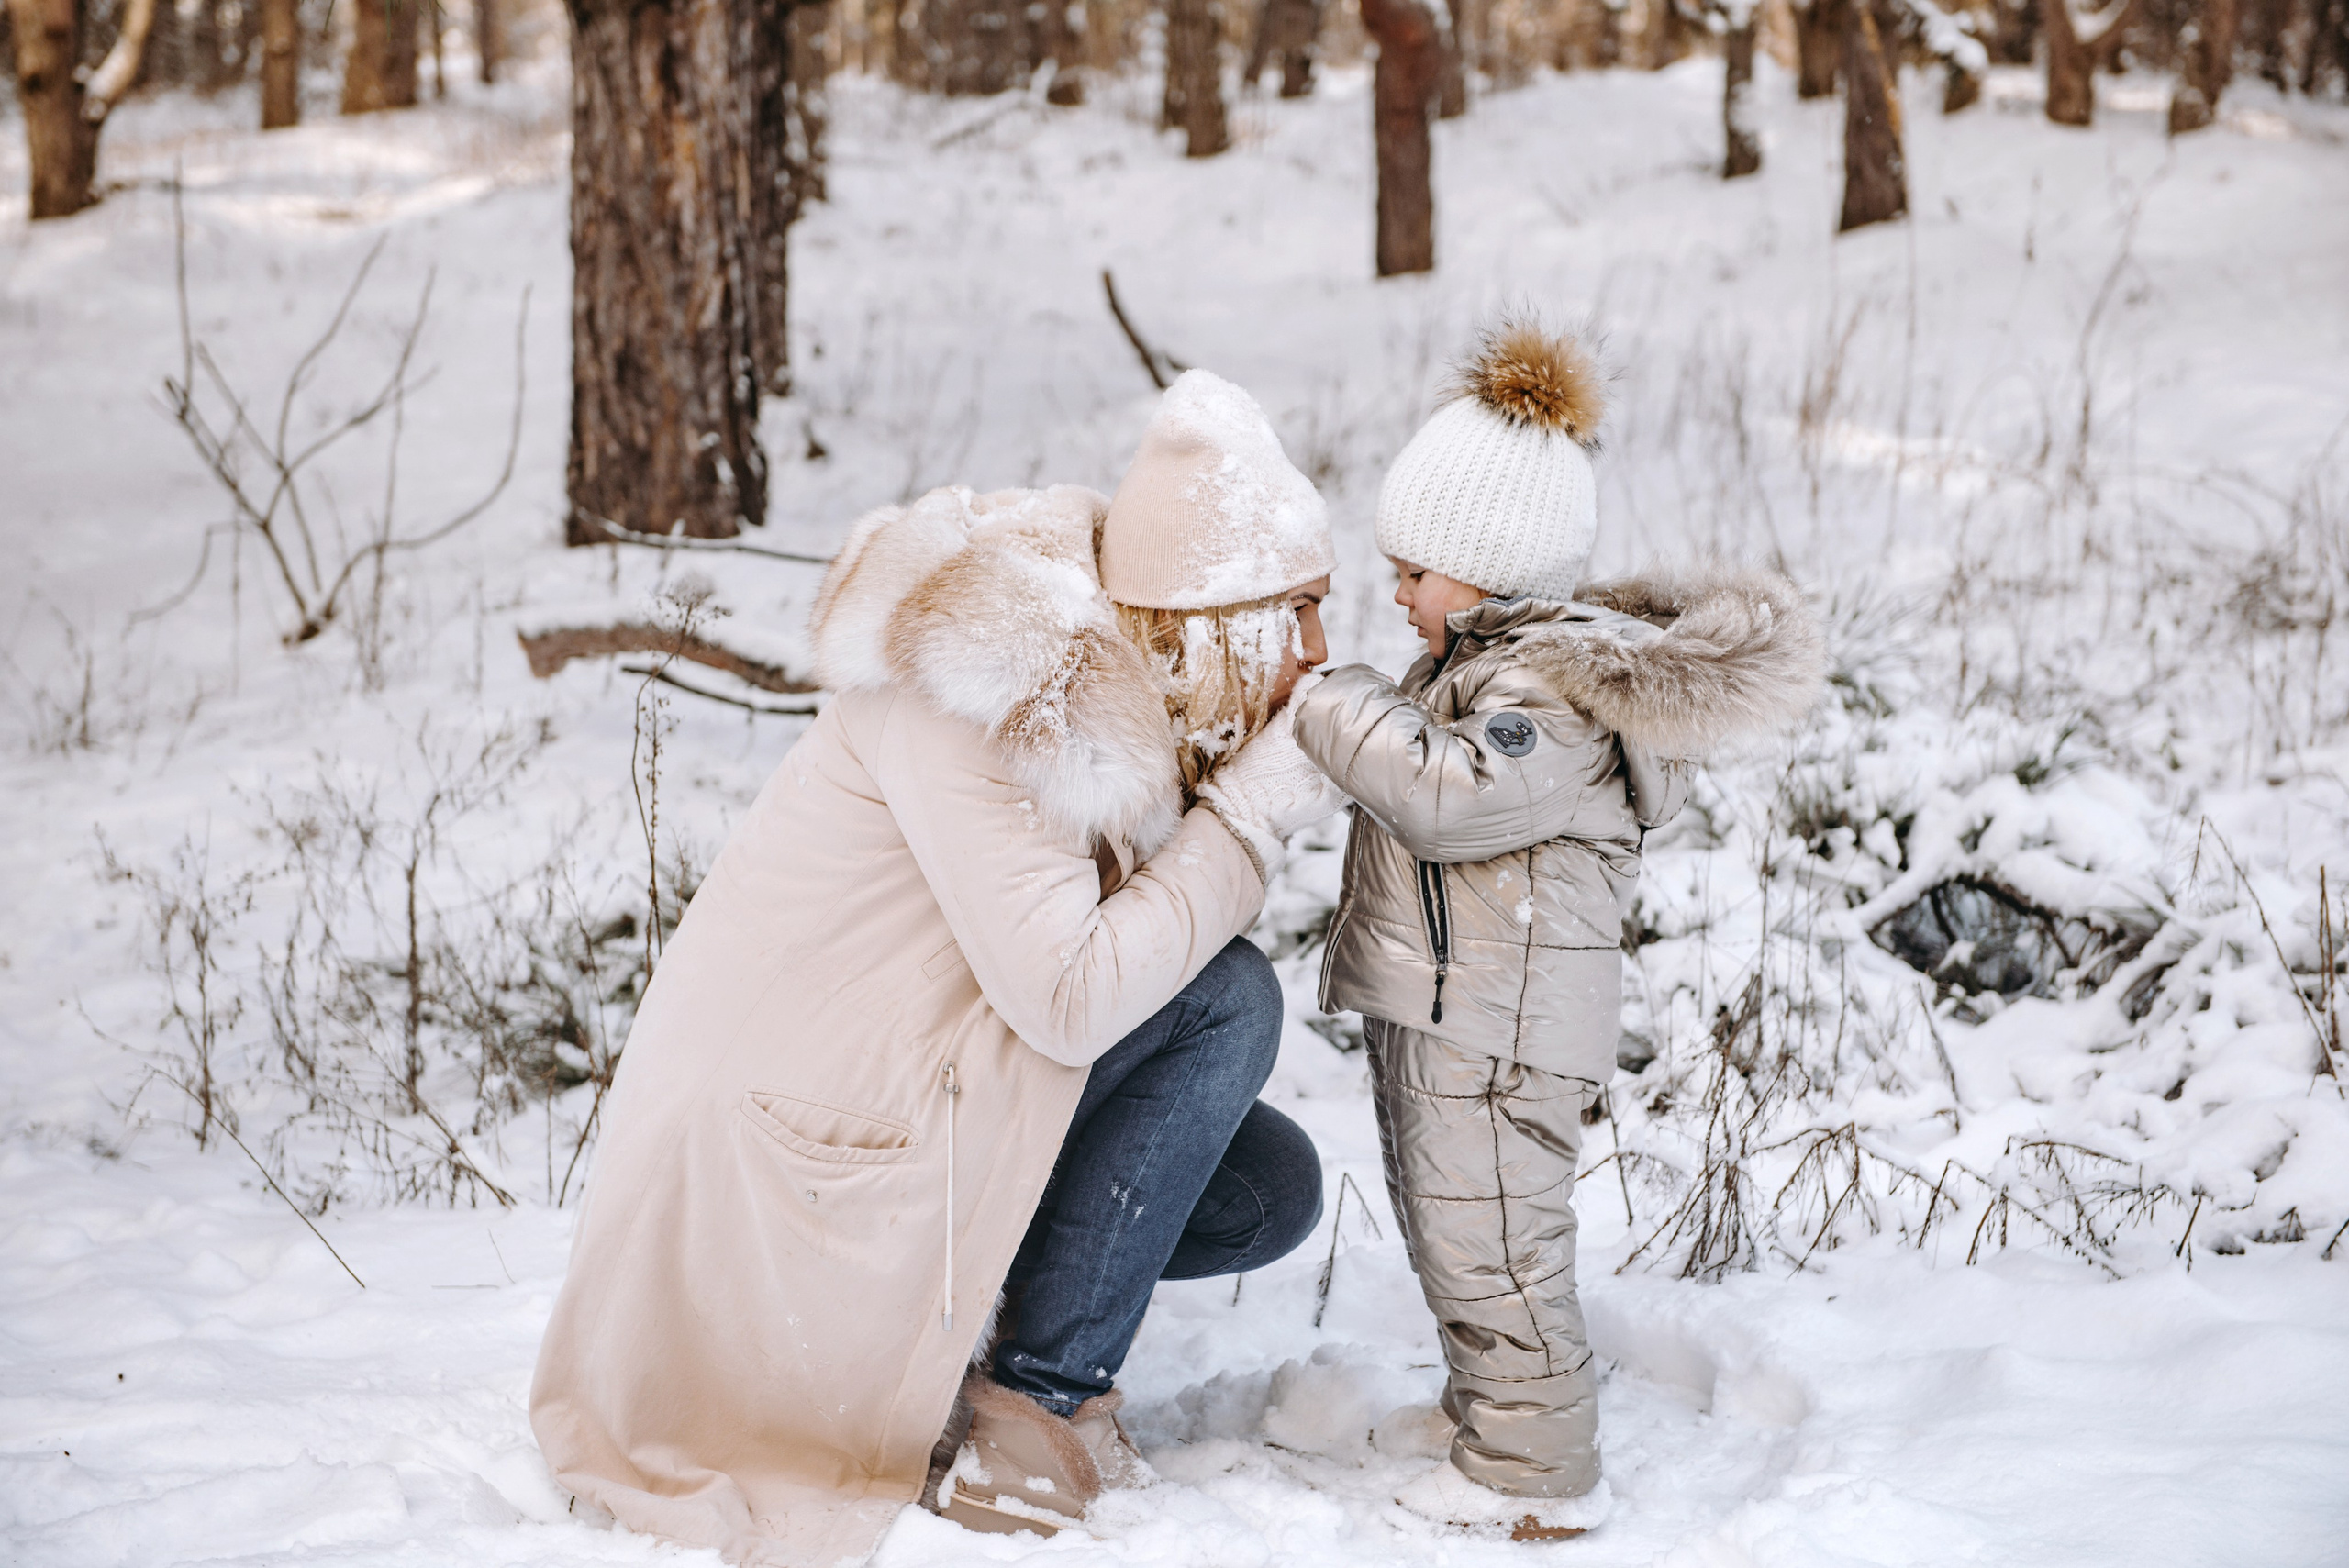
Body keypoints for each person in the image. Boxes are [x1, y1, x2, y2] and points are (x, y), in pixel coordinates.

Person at [530, 369, 1346, 1566]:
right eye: (1304, 613)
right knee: (1229, 1002)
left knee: (1264, 1185)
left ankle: (962, 1341)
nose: (1320, 653)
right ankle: (1037, 1410)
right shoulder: (983, 687)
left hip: (922, 1073)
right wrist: (1247, 821)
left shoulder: (1119, 670)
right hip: (797, 1142)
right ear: (1221, 624)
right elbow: (1069, 998)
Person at [1292, 319, 1824, 1541]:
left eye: (1413, 568)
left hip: (1497, 1027)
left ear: (1488, 570)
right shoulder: (1492, 668)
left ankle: (1535, 1471)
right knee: (1450, 1229)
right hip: (1450, 1011)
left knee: (1497, 1248)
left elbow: (1444, 792)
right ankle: (1497, 1412)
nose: (1397, 592)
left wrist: (1329, 698)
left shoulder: (1550, 695)